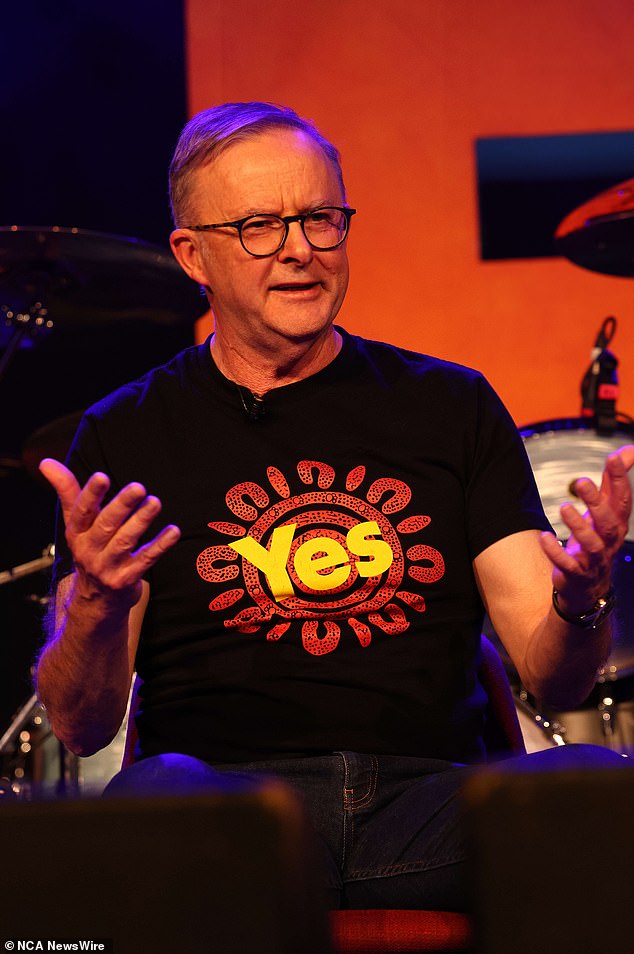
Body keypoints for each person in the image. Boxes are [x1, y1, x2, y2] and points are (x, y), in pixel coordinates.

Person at [35, 102, 633, 911]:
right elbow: (81, 727)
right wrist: (97, 608)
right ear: (193, 255)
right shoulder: (126, 432)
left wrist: (582, 597)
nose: (300, 251)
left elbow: (554, 679)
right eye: (258, 226)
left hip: (436, 804)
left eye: (321, 218)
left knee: (603, 792)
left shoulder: (449, 405)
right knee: (154, 804)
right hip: (233, 810)